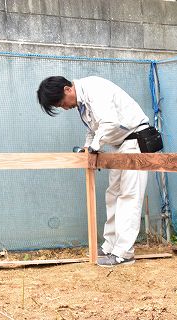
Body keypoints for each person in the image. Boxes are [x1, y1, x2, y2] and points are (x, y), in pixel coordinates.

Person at [37, 76, 151, 267]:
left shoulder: (94, 88)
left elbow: (110, 123)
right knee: (113, 194)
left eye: (61, 103)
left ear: (67, 89)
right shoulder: (82, 103)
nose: (64, 107)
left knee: (129, 196)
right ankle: (110, 246)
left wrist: (94, 147)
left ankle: (124, 252)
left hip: (135, 141)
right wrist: (87, 148)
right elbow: (93, 130)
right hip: (119, 145)